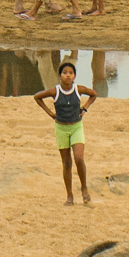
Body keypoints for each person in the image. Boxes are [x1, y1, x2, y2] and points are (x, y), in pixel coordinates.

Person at [33, 60, 96, 205]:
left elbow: (93, 94)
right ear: (60, 75)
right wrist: (50, 113)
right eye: (65, 73)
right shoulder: (55, 91)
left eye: (71, 73)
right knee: (67, 162)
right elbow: (37, 97)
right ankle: (69, 195)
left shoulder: (78, 89)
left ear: (74, 76)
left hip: (76, 127)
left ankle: (84, 188)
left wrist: (85, 108)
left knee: (79, 158)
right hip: (61, 128)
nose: (68, 75)